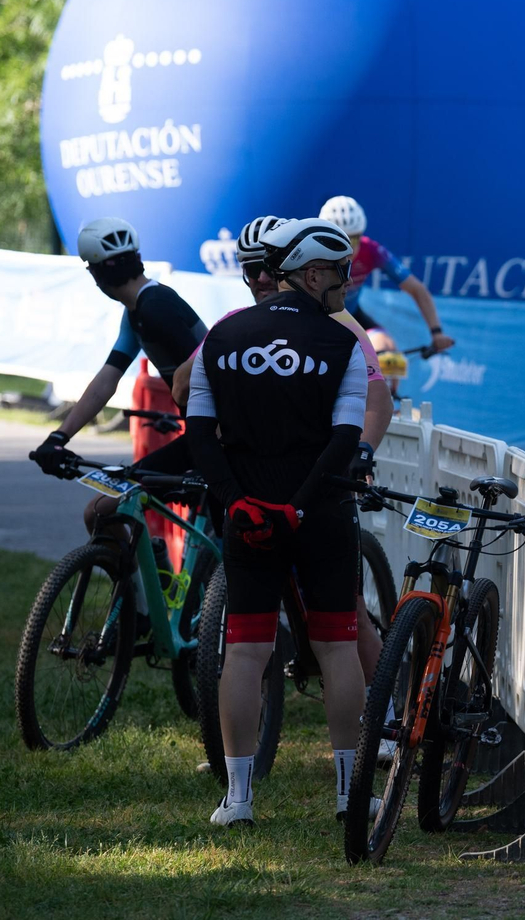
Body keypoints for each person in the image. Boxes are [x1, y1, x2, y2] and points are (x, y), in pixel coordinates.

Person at [185, 217, 370, 828]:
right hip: (320, 515)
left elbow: (199, 435)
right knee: (338, 647)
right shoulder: (342, 342)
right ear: (313, 275)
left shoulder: (222, 335)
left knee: (244, 652)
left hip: (246, 516)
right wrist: (299, 506)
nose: (347, 282)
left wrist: (236, 500)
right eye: (340, 272)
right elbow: (344, 441)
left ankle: (237, 800)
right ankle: (348, 795)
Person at [170, 215, 391, 695]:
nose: (261, 279)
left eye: (266, 268)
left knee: (348, 615)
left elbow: (378, 401)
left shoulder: (340, 324)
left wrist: (362, 453)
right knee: (261, 638)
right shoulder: (232, 324)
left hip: (311, 485)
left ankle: (386, 715)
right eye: (250, 270)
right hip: (258, 486)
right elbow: (183, 385)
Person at [30, 218, 208, 537]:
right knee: (103, 512)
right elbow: (106, 381)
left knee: (100, 512)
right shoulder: (139, 309)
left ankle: (145, 572)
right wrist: (59, 437)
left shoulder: (155, 310)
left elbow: (207, 376)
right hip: (205, 437)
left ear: (96, 275)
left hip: (215, 440)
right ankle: (154, 564)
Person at [318, 196, 455, 354]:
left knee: (388, 353)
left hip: (351, 317)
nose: (348, 249)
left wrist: (436, 332)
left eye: (354, 240)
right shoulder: (312, 253)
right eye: (340, 241)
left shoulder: (371, 251)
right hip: (316, 317)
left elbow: (417, 289)